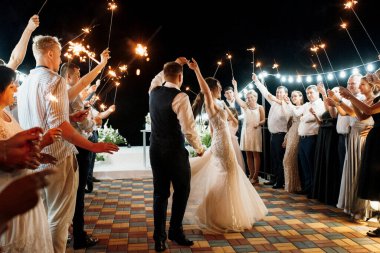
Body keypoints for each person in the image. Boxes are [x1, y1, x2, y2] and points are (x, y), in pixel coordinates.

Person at [17, 35, 119, 252]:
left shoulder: (26, 83)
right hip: (57, 159)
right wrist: (92, 146)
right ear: (50, 53)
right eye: (59, 54)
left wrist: (71, 117)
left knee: (43, 219)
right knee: (59, 219)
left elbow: (46, 115)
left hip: (36, 160)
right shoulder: (54, 80)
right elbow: (59, 127)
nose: (60, 59)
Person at [187, 58, 268, 233]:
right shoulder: (210, 102)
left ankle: (223, 212)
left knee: (229, 175)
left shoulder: (219, 103)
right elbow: (205, 90)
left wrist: (232, 122)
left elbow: (230, 118)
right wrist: (197, 70)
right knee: (228, 174)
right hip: (221, 143)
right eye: (217, 86)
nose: (220, 88)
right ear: (211, 88)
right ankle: (219, 215)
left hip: (224, 141)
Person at [0, 65, 61, 252]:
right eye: (12, 86)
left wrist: (36, 154)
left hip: (22, 189)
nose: (16, 89)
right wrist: (43, 142)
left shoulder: (7, 114)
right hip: (7, 193)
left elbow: (16, 151)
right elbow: (6, 155)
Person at [148, 57, 205, 252]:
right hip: (174, 152)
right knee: (182, 191)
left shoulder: (153, 91)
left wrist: (173, 62)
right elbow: (188, 129)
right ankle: (175, 231)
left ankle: (159, 239)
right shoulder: (181, 97)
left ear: (165, 76)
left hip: (155, 150)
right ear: (180, 77)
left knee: (160, 194)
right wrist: (198, 148)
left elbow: (158, 77)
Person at [60, 52, 110, 249]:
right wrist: (93, 121)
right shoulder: (71, 94)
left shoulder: (59, 91)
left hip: (67, 147)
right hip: (79, 147)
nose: (80, 77)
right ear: (70, 76)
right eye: (78, 73)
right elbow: (87, 126)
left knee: (69, 193)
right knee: (77, 193)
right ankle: (78, 236)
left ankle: (68, 232)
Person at [339, 72, 380, 237]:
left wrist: (350, 95)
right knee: (376, 181)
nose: (374, 78)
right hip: (376, 139)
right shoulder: (377, 98)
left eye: (377, 76)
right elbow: (362, 115)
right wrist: (350, 99)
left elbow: (369, 109)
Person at [253, 74, 289, 188]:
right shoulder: (273, 102)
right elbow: (265, 92)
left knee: (280, 159)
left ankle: (280, 181)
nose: (278, 94)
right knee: (273, 158)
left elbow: (288, 115)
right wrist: (257, 82)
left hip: (281, 135)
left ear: (285, 94)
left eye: (281, 92)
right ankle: (273, 179)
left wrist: (279, 101)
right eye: (277, 92)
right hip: (272, 135)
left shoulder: (287, 105)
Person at [232, 80, 265, 184]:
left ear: (256, 97)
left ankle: (256, 176)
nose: (250, 99)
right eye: (248, 97)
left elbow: (264, 119)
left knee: (255, 154)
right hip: (246, 132)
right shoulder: (245, 106)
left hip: (256, 131)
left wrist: (258, 124)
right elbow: (237, 98)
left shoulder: (260, 107)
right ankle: (250, 174)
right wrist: (235, 86)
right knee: (248, 154)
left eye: (252, 97)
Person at [282, 91, 303, 193]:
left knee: (289, 159)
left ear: (301, 97)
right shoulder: (292, 107)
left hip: (299, 132)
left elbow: (297, 115)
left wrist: (288, 102)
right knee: (289, 160)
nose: (293, 97)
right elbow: (290, 124)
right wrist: (286, 137)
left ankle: (295, 185)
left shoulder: (303, 107)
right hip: (292, 133)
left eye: (295, 96)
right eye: (292, 96)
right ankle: (291, 186)